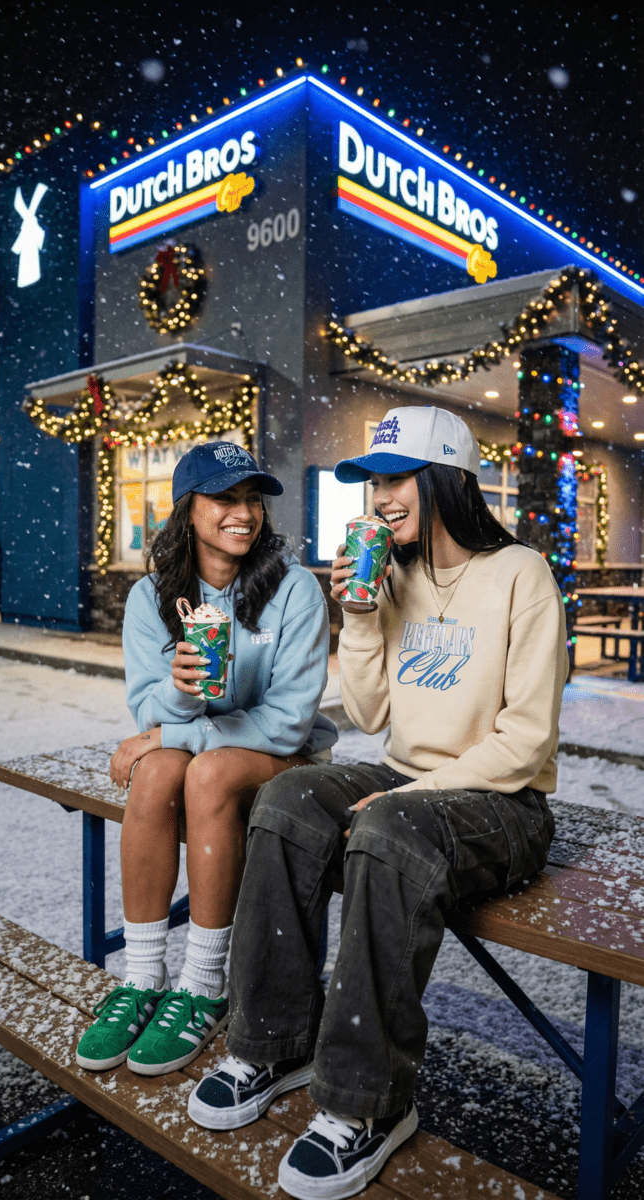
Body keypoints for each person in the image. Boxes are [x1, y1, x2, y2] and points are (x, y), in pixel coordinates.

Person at [188, 406, 568, 1200]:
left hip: (502, 801)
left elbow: (527, 741)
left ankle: (368, 1102)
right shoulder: (393, 575)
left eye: (395, 479)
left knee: (390, 828)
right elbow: (369, 716)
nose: (378, 499)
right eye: (370, 483)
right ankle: (276, 1043)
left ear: (447, 479)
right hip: (406, 784)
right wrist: (358, 619)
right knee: (289, 797)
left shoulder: (521, 573)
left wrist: (418, 792)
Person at [75, 441, 337, 1076]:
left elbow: (289, 721)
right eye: (225, 498)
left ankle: (203, 983)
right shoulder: (152, 598)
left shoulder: (295, 588)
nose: (242, 513)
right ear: (188, 509)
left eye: (252, 499)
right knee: (159, 770)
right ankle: (142, 977)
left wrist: (171, 735)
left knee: (201, 768)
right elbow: (149, 712)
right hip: (197, 757)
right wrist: (177, 692)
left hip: (290, 760)